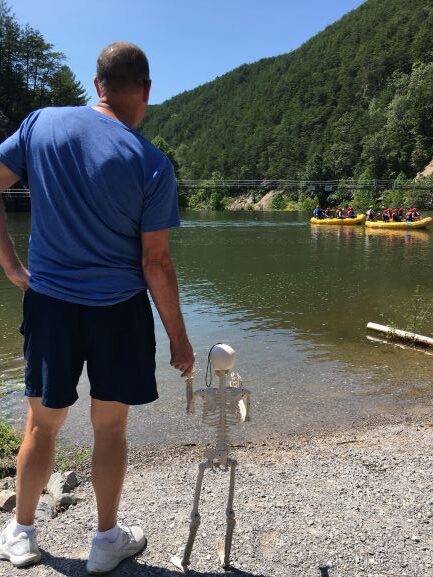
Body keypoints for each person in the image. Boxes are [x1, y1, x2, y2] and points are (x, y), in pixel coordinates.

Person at [0, 42, 195, 573]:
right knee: (110, 429)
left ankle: (21, 533)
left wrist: (14, 269)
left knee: (41, 426)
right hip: (118, 311)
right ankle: (105, 542)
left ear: (96, 84)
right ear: (147, 91)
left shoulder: (42, 124)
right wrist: (179, 339)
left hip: (51, 306)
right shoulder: (152, 163)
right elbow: (156, 263)